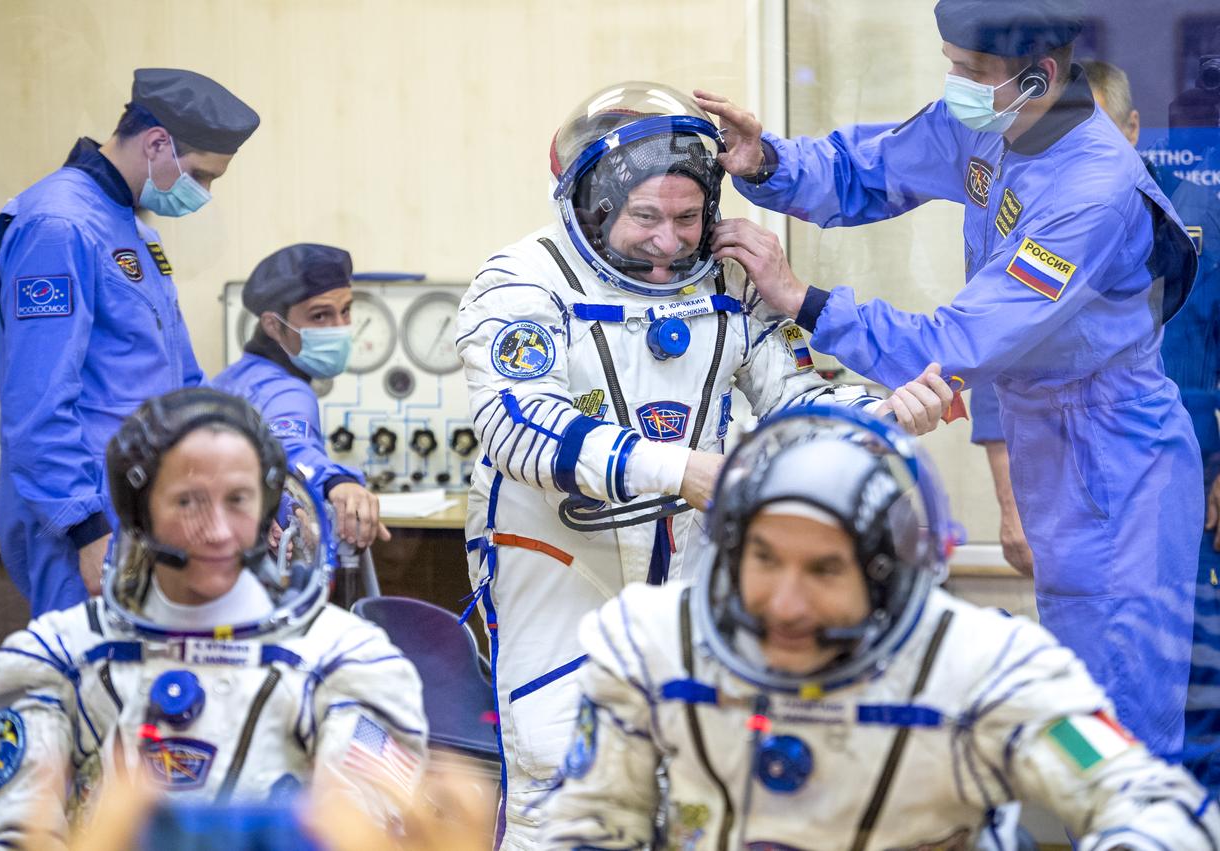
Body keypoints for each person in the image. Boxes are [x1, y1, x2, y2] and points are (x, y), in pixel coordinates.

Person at [695, 0, 1202, 758]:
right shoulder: (988, 121)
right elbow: (867, 169)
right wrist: (764, 160)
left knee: (1119, 731)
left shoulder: (1091, 192)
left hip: (1117, 460)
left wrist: (805, 300)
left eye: (971, 72)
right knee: (1074, 713)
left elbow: (958, 343)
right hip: (1050, 440)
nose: (954, 84)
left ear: (1041, 77)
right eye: (950, 64)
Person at [456, 81, 955, 849]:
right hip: (560, 560)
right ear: (593, 203)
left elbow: (799, 408)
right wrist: (682, 469)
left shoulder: (728, 282)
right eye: (646, 217)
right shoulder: (523, 280)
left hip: (690, 564)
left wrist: (893, 412)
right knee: (563, 764)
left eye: (688, 218)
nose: (668, 241)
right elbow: (515, 425)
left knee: (698, 775)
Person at [541, 406, 1220, 850]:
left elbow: (1145, 797)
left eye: (823, 569)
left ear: (888, 573)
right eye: (764, 559)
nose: (785, 601)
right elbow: (590, 827)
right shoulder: (652, 645)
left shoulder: (985, 663)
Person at [0, 388, 427, 849]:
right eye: (188, 502)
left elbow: (357, 833)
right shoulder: (58, 657)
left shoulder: (347, 661)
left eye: (238, 499)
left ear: (267, 510)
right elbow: (20, 833)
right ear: (139, 513)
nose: (218, 531)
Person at [0, 68, 260, 617]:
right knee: (93, 687)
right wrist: (85, 529)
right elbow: (37, 402)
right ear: (157, 142)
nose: (203, 196)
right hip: (78, 513)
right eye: (203, 176)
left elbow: (183, 384)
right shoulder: (59, 225)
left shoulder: (135, 231)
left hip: (139, 504)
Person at [1082, 59, 1220, 792]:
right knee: (1091, 679)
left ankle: (1186, 820)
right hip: (1078, 492)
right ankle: (1104, 816)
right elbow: (1005, 368)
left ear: (1136, 131)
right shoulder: (1044, 225)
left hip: (1187, 483)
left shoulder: (1192, 222)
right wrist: (1011, 503)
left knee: (1192, 668)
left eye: (1102, 135)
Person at [214, 243, 390, 551]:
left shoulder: (233, 378)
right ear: (273, 325)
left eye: (345, 310)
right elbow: (288, 447)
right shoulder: (288, 391)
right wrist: (336, 482)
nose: (339, 328)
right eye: (320, 316)